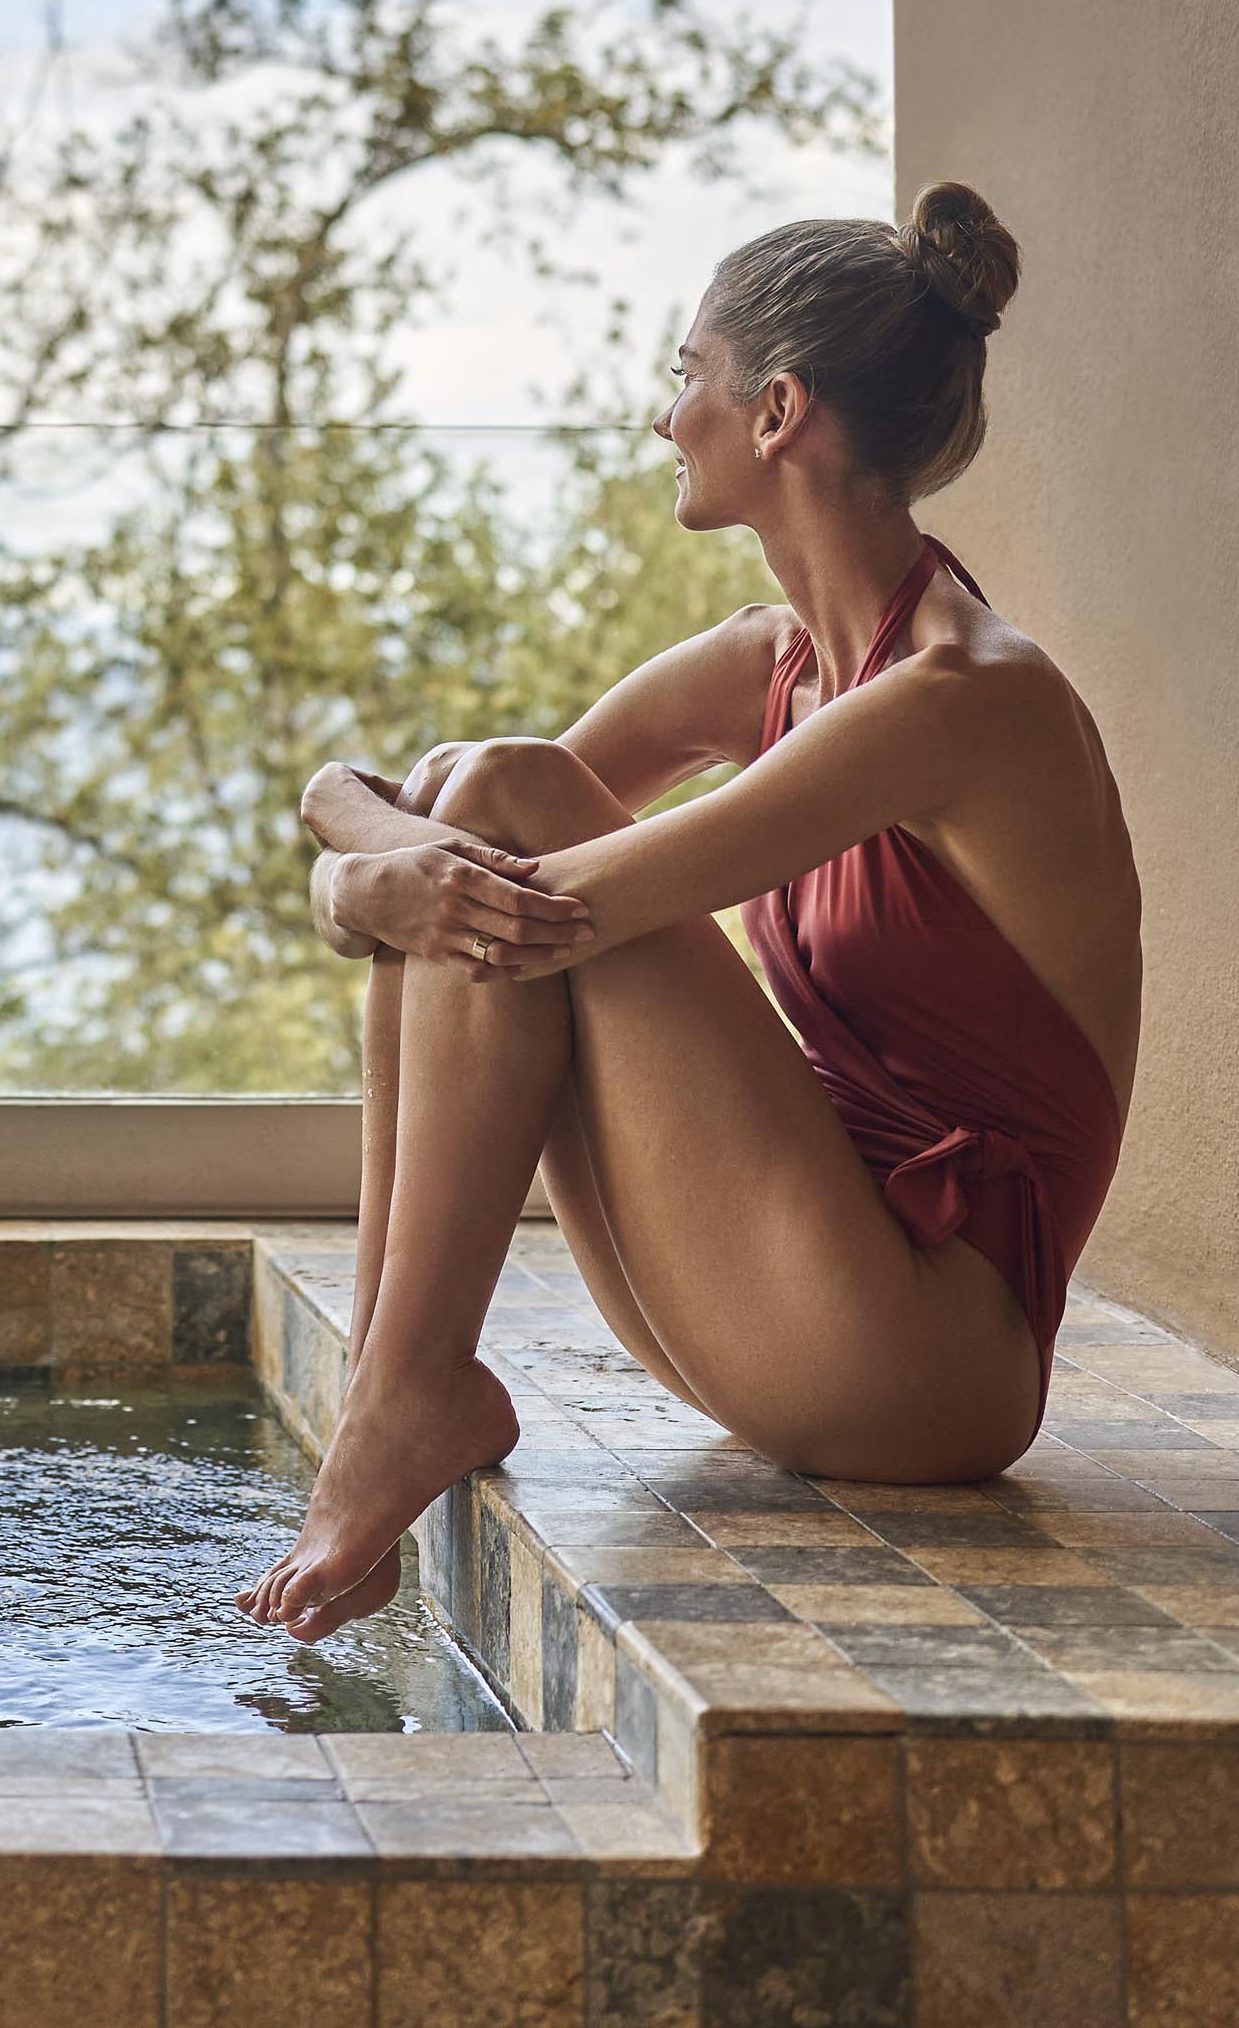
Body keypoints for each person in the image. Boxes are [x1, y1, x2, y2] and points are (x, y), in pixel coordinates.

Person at [239, 186, 1137, 1646]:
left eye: (685, 377)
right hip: (791, 1297)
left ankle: (404, 1400)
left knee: (506, 814)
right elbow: (446, 826)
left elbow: (531, 894)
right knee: (487, 796)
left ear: (776, 408)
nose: (667, 420)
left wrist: (355, 854)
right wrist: (363, 848)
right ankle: (397, 1393)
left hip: (920, 1356)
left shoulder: (969, 701)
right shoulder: (774, 662)